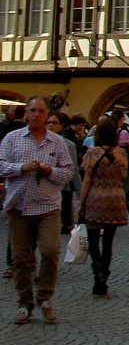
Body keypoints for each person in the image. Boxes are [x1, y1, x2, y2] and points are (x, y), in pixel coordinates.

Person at [0, 96, 74, 323]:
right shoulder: (11, 139)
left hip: (47, 207)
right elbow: (1, 165)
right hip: (19, 206)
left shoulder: (57, 142)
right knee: (21, 259)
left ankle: (45, 298)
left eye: (41, 111)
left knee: (50, 250)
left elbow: (68, 171)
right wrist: (20, 168)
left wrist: (49, 171)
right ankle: (25, 303)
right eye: (32, 110)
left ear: (46, 114)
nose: (36, 114)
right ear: (26, 113)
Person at [78, 117, 129, 296]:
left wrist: (81, 202)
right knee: (108, 242)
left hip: (96, 198)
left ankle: (98, 273)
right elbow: (123, 176)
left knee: (93, 241)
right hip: (115, 199)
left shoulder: (92, 153)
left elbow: (87, 180)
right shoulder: (121, 154)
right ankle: (104, 275)